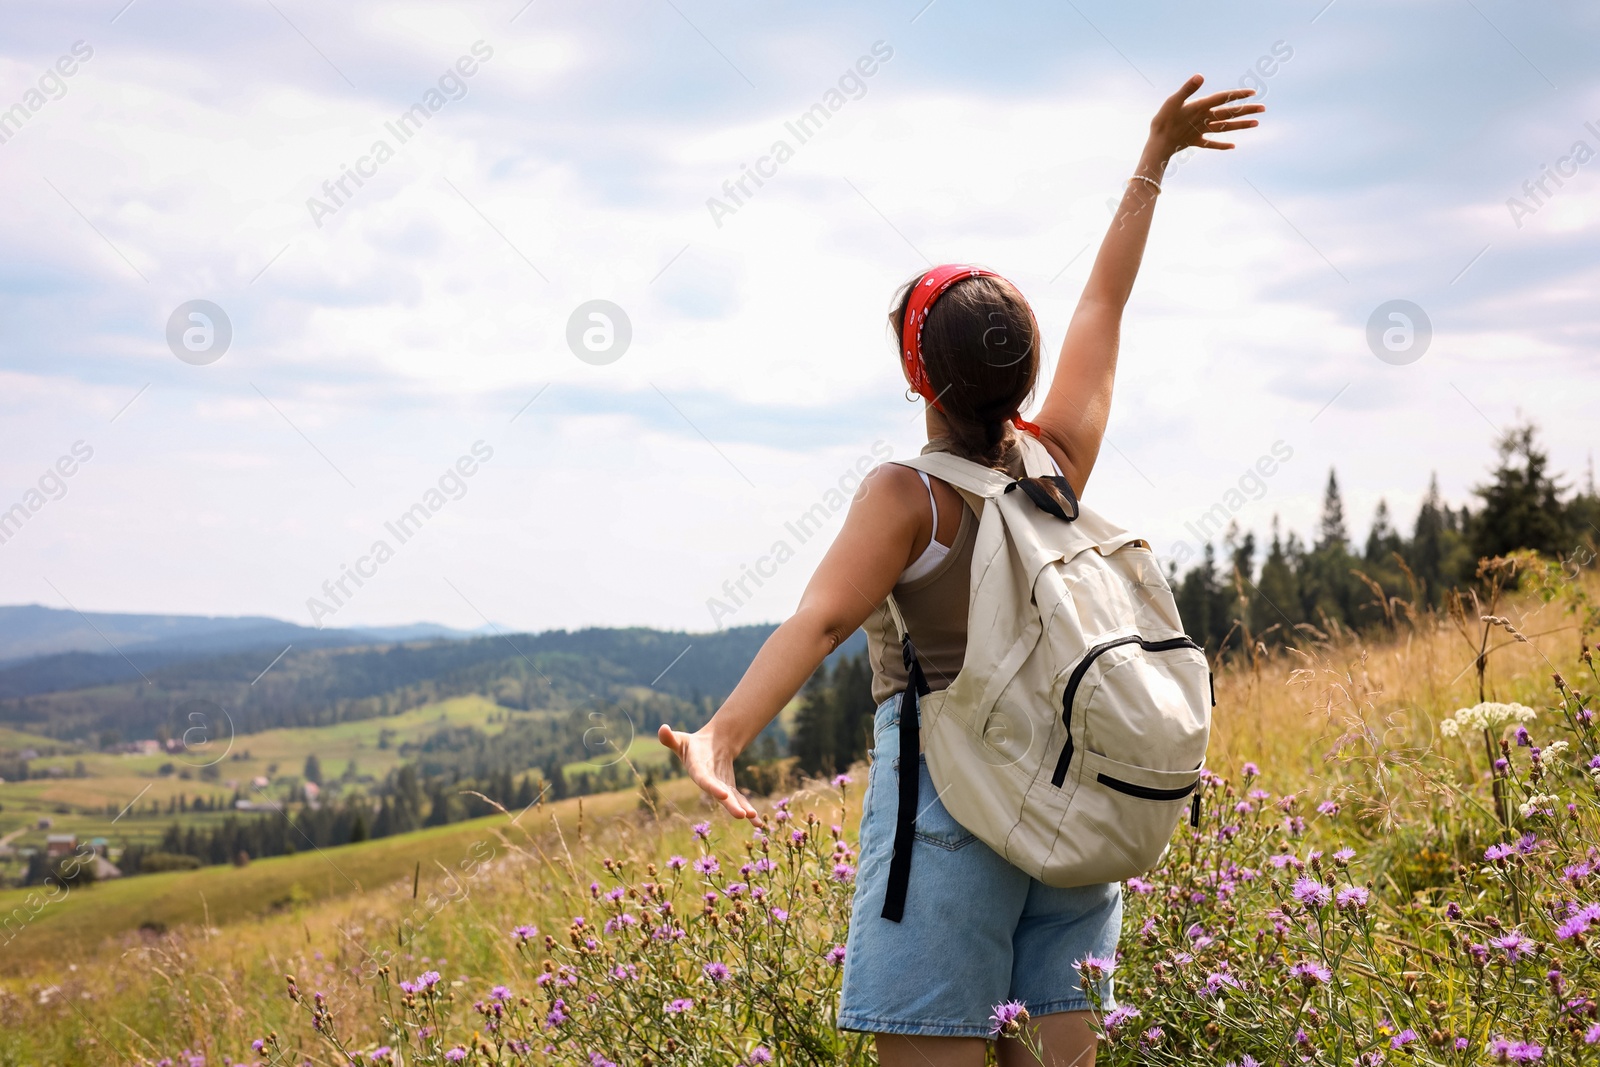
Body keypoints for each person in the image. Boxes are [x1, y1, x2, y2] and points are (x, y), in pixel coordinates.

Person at [659, 73, 1263, 1067]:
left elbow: (815, 623)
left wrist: (723, 736)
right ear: (1026, 376)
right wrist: (1152, 160)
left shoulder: (908, 496)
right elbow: (1106, 302)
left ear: (915, 377)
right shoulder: (1057, 459)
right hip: (1076, 789)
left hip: (949, 812)